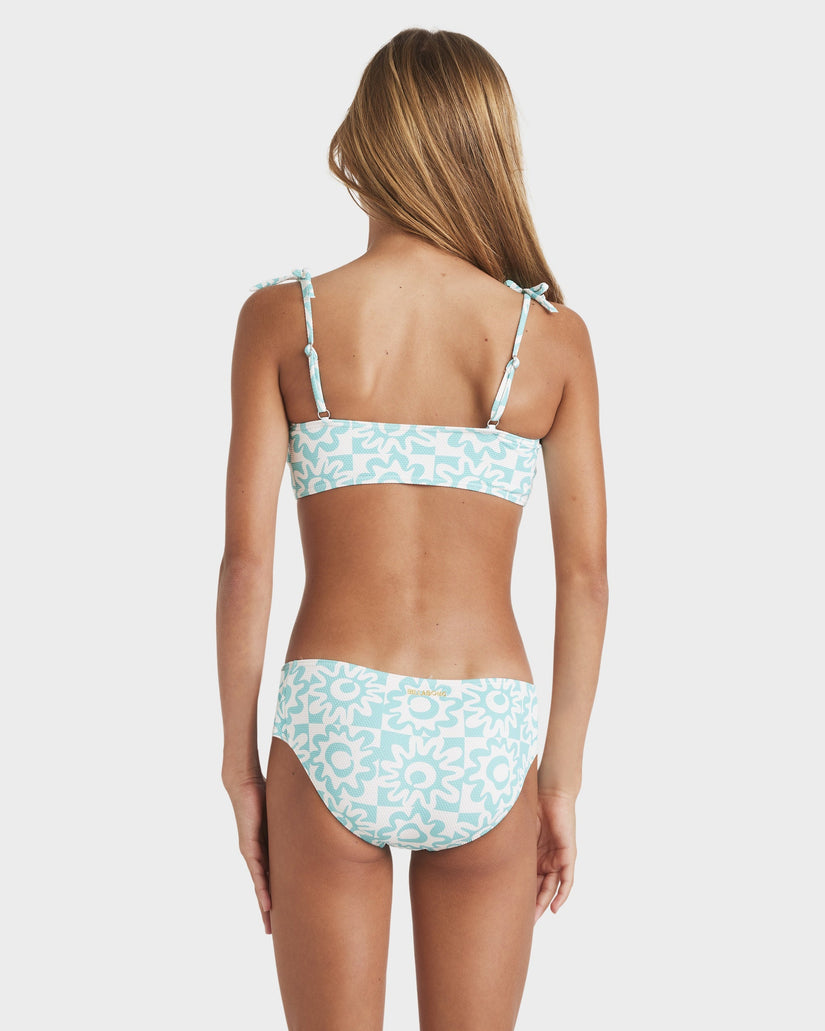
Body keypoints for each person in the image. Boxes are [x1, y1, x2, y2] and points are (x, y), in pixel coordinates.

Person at [216, 27, 608, 1031]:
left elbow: (247, 563)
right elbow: (586, 577)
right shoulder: (550, 340)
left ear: (366, 142)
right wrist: (560, 776)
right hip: (487, 727)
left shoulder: (285, 320)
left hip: (332, 718)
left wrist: (238, 763)